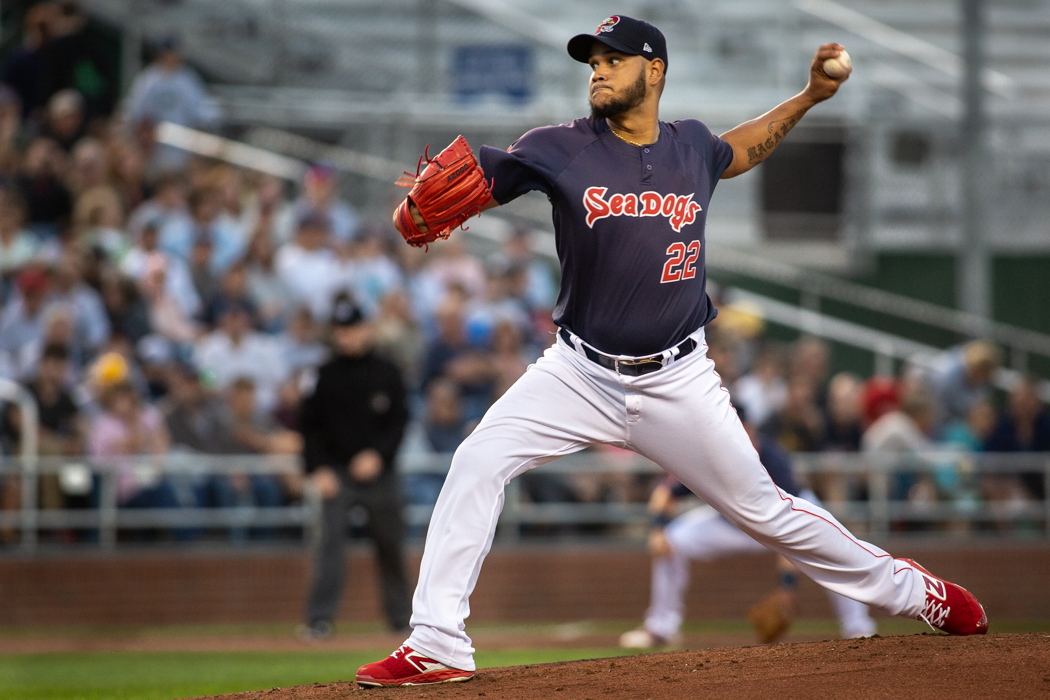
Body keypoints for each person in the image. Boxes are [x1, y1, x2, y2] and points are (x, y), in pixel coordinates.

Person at [357, 16, 986, 689]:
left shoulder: (691, 148)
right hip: (577, 372)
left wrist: (806, 99)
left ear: (652, 70)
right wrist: (445, 187)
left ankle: (916, 594)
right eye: (591, 61)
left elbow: (740, 149)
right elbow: (493, 166)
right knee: (478, 459)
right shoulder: (561, 147)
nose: (597, 70)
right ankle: (438, 642)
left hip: (679, 380)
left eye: (612, 59)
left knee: (768, 512)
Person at [619, 408, 875, 649]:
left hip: (785, 519)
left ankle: (858, 628)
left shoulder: (772, 459)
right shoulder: (712, 454)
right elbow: (665, 493)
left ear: (751, 429)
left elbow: (792, 528)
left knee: (835, 548)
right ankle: (661, 628)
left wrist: (787, 588)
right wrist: (657, 530)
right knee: (671, 540)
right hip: (734, 524)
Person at [299, 298, 411, 639]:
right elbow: (308, 426)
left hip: (380, 473)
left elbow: (400, 420)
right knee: (329, 546)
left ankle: (402, 620)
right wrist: (318, 468)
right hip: (336, 474)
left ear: (366, 329)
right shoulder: (322, 374)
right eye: (339, 330)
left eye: (350, 329)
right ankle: (319, 619)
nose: (344, 336)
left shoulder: (388, 371)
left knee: (391, 545)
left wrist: (379, 455)